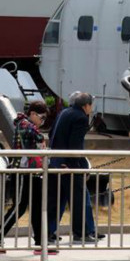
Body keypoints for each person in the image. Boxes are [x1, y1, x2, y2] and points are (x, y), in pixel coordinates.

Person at [0, 101, 58, 255]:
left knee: (37, 207)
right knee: (19, 207)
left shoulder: (27, 125)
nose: (42, 121)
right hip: (23, 172)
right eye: (42, 117)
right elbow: (36, 138)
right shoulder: (24, 124)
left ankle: (40, 243)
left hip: (32, 171)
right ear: (32, 114)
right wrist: (41, 141)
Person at [48, 92, 100, 244]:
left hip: (55, 161)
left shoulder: (63, 112)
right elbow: (75, 145)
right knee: (78, 200)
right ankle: (81, 233)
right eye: (91, 105)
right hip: (69, 164)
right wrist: (78, 166)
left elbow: (52, 134)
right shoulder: (81, 118)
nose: (91, 108)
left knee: (56, 201)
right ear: (86, 105)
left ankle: (47, 231)